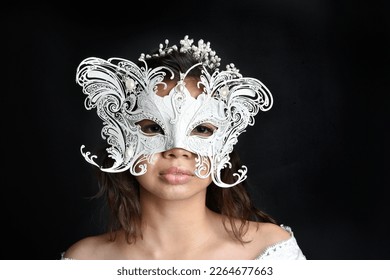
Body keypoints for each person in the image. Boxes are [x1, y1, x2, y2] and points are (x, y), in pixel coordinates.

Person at [61, 35, 306, 260]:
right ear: (120, 136)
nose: (177, 149)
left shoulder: (269, 251)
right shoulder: (85, 261)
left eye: (201, 129)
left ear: (226, 142)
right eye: (153, 128)